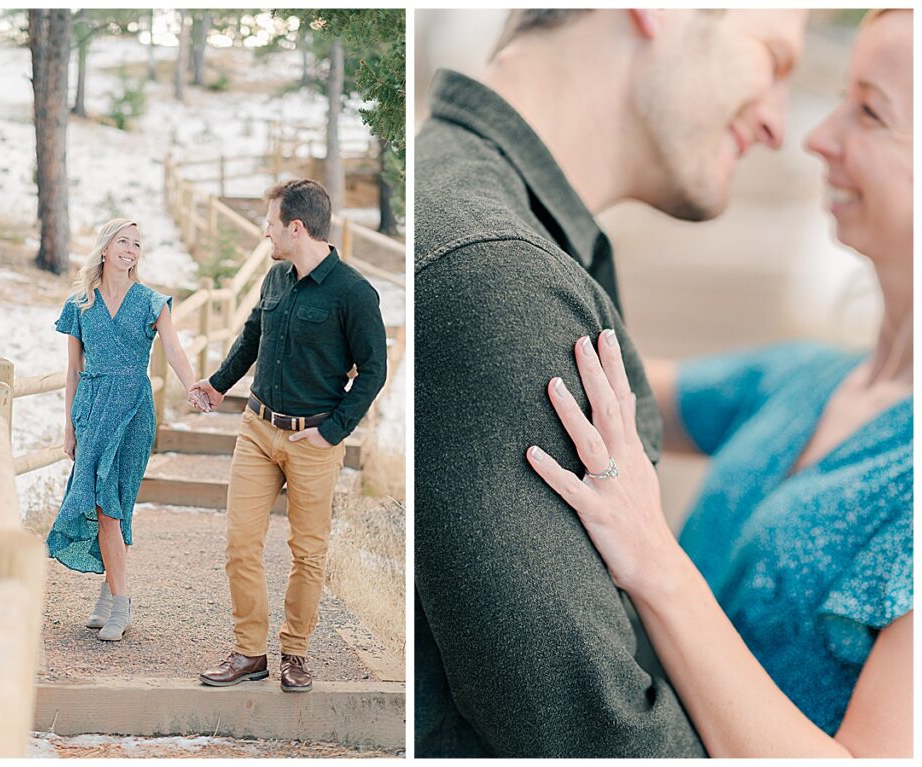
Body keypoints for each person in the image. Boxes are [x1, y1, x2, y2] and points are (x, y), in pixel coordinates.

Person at [415, 8, 807, 757]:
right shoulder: (496, 274)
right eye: (774, 60)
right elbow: (607, 741)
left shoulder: (503, 239)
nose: (780, 126)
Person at [527, 9, 912, 757]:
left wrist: (653, 560)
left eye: (869, 110)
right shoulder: (798, 376)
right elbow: (579, 376)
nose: (817, 137)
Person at [190, 179, 387, 692]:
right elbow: (252, 337)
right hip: (257, 430)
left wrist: (335, 432)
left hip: (313, 442)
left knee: (308, 553)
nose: (266, 232)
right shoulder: (275, 279)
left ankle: (295, 653)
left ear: (296, 228)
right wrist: (216, 386)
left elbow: (374, 370)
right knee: (240, 544)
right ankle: (249, 652)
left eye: (272, 223)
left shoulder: (354, 293)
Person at [49, 218, 203, 641]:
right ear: (105, 249)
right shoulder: (79, 304)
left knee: (112, 507)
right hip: (92, 410)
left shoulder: (152, 303)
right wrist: (69, 426)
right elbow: (72, 372)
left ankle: (120, 605)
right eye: (124, 241)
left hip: (134, 411)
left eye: (137, 244)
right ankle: (110, 597)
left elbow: (172, 347)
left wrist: (192, 384)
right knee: (103, 505)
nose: (132, 249)